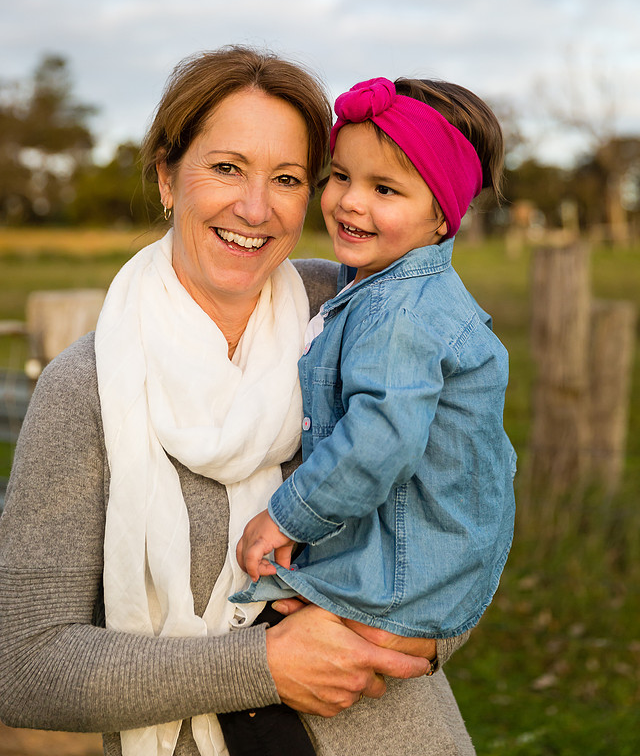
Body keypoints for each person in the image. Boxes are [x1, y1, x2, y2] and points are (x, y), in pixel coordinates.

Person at [0, 50, 477, 756]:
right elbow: (28, 666)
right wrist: (264, 667)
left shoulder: (358, 310)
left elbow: (467, 505)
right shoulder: (85, 387)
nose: (255, 209)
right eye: (227, 168)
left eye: (286, 178)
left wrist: (415, 635)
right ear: (167, 177)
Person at [235, 75, 517, 644]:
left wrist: (287, 517)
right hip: (434, 558)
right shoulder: (385, 288)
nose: (350, 201)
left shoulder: (400, 313)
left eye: (384, 189)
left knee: (264, 632)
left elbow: (378, 441)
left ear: (442, 217)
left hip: (407, 571)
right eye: (340, 176)